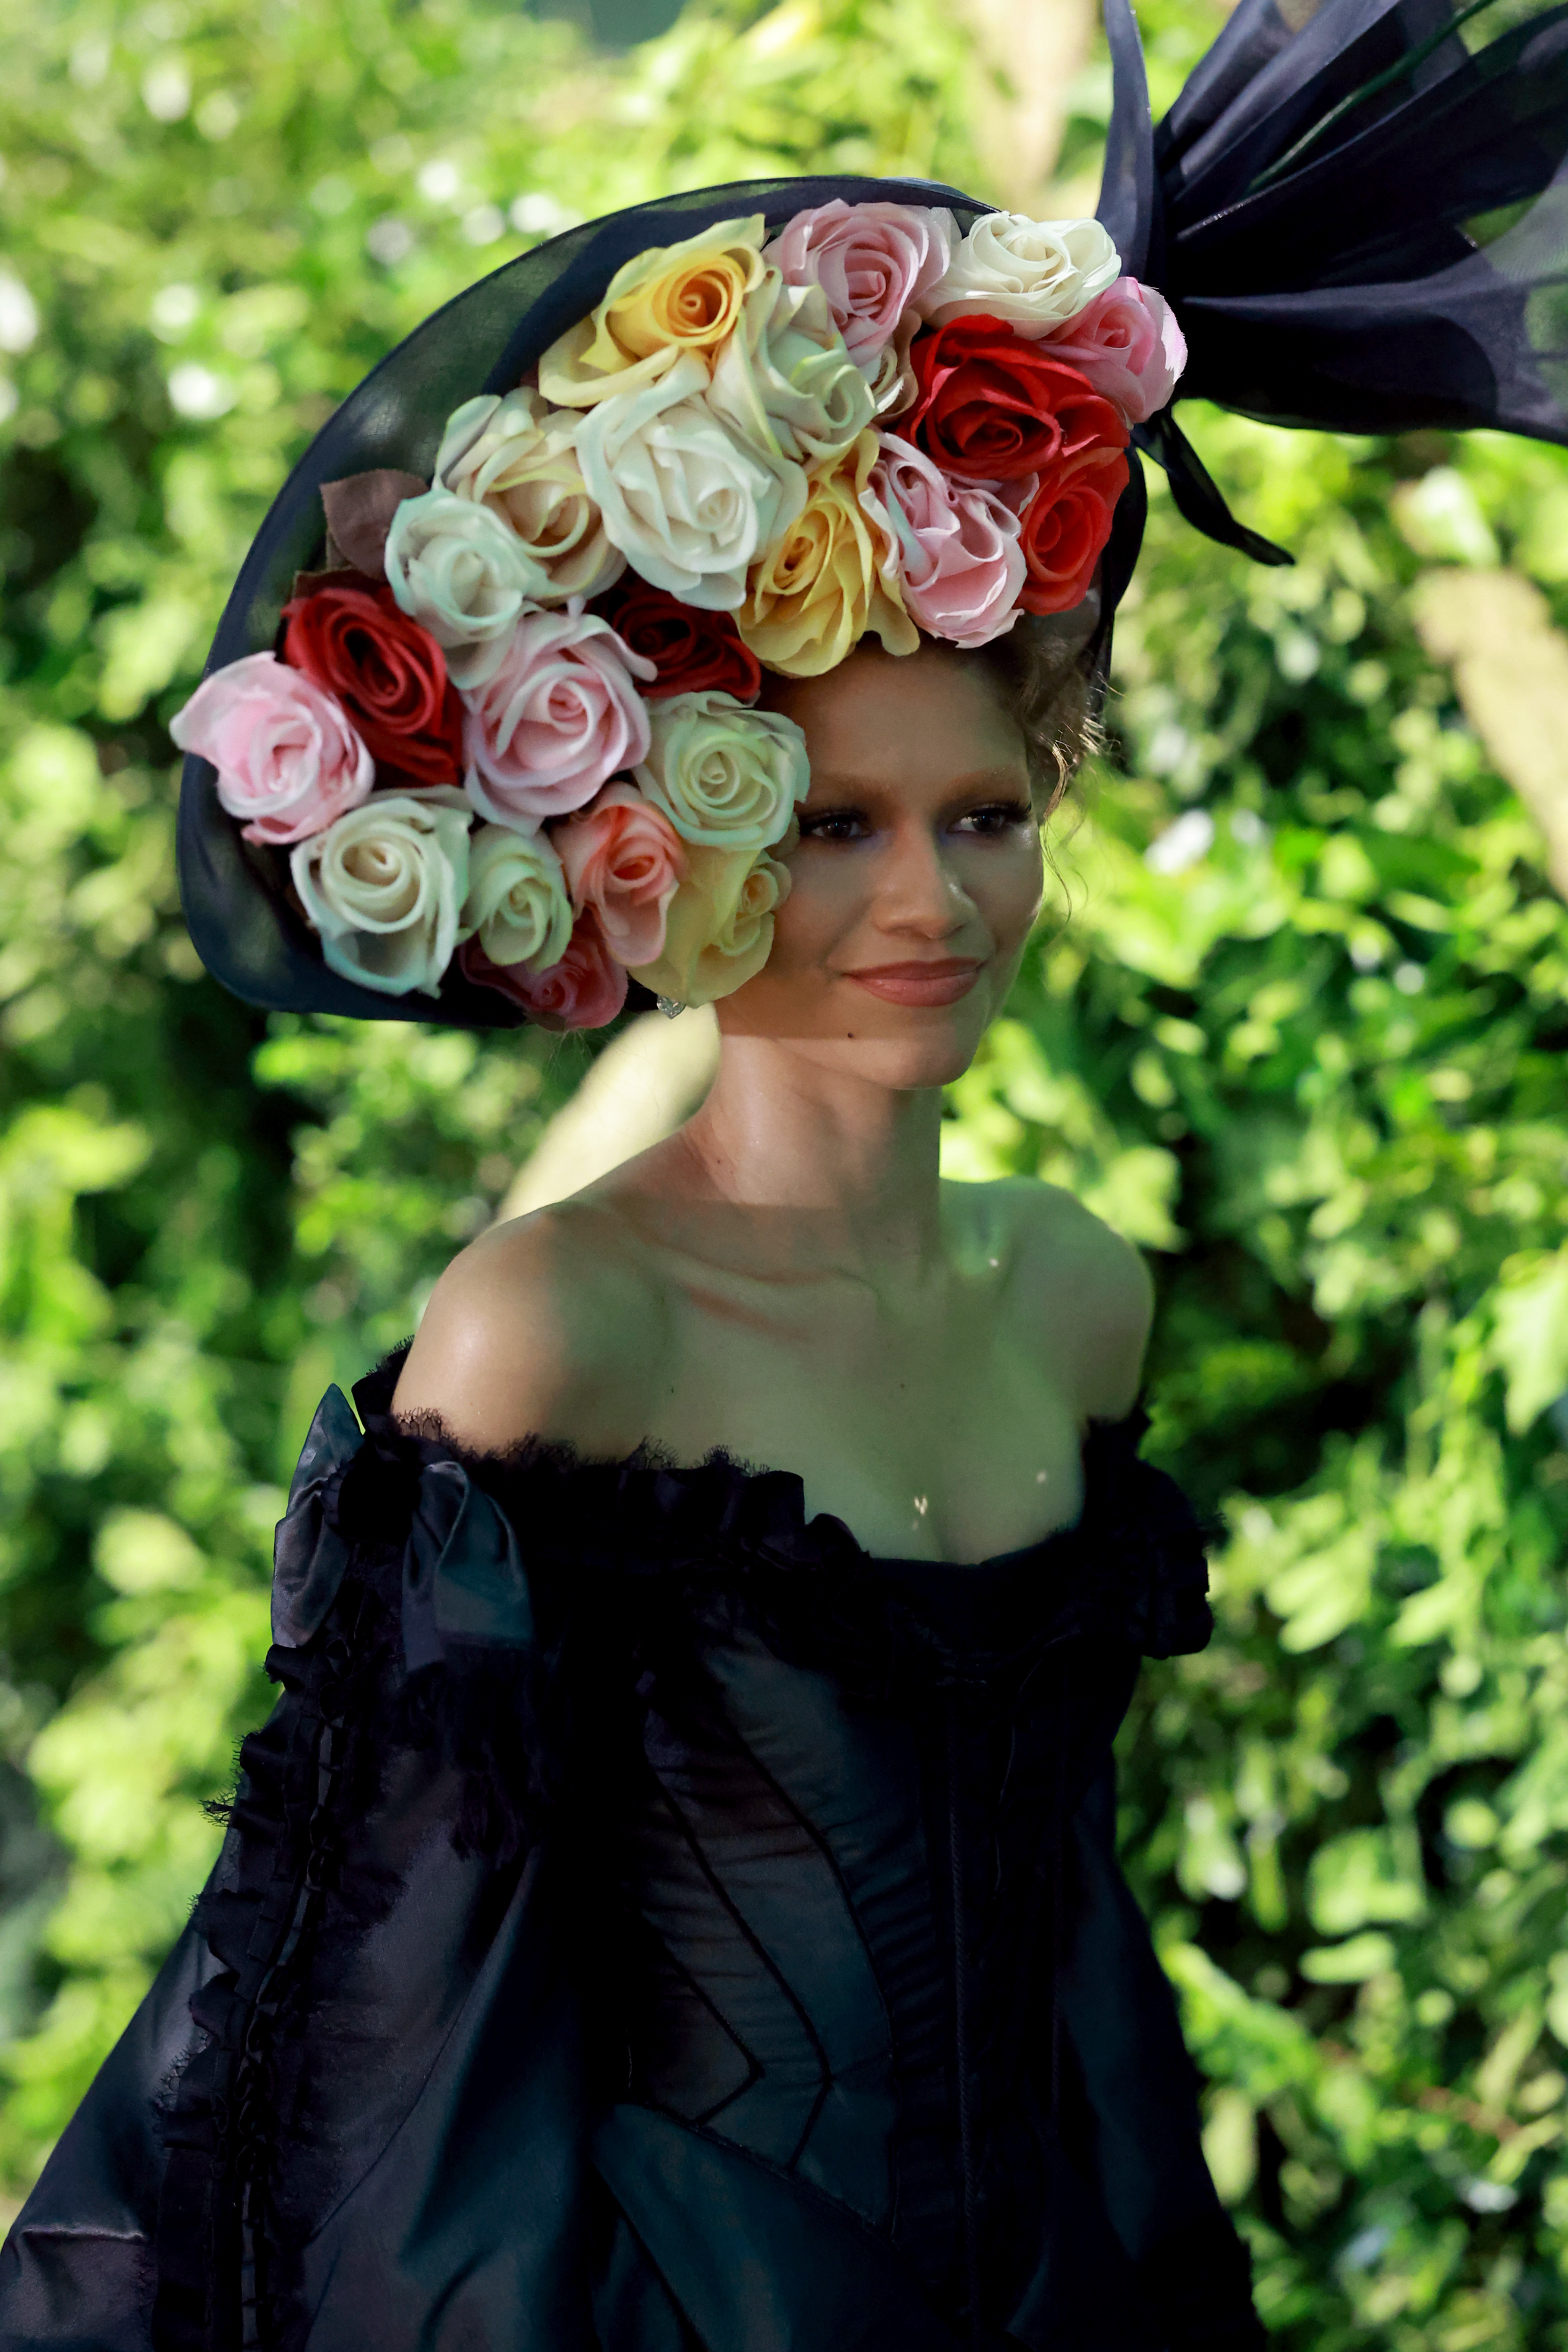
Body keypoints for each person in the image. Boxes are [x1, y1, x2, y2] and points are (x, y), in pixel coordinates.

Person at [5, 0, 1568, 2344]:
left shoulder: (1074, 1291)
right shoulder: (558, 1328)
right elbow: (359, 2044)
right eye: (833, 825)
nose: (928, 898)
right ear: (676, 849)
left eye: (985, 814)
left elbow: (1062, 1944)